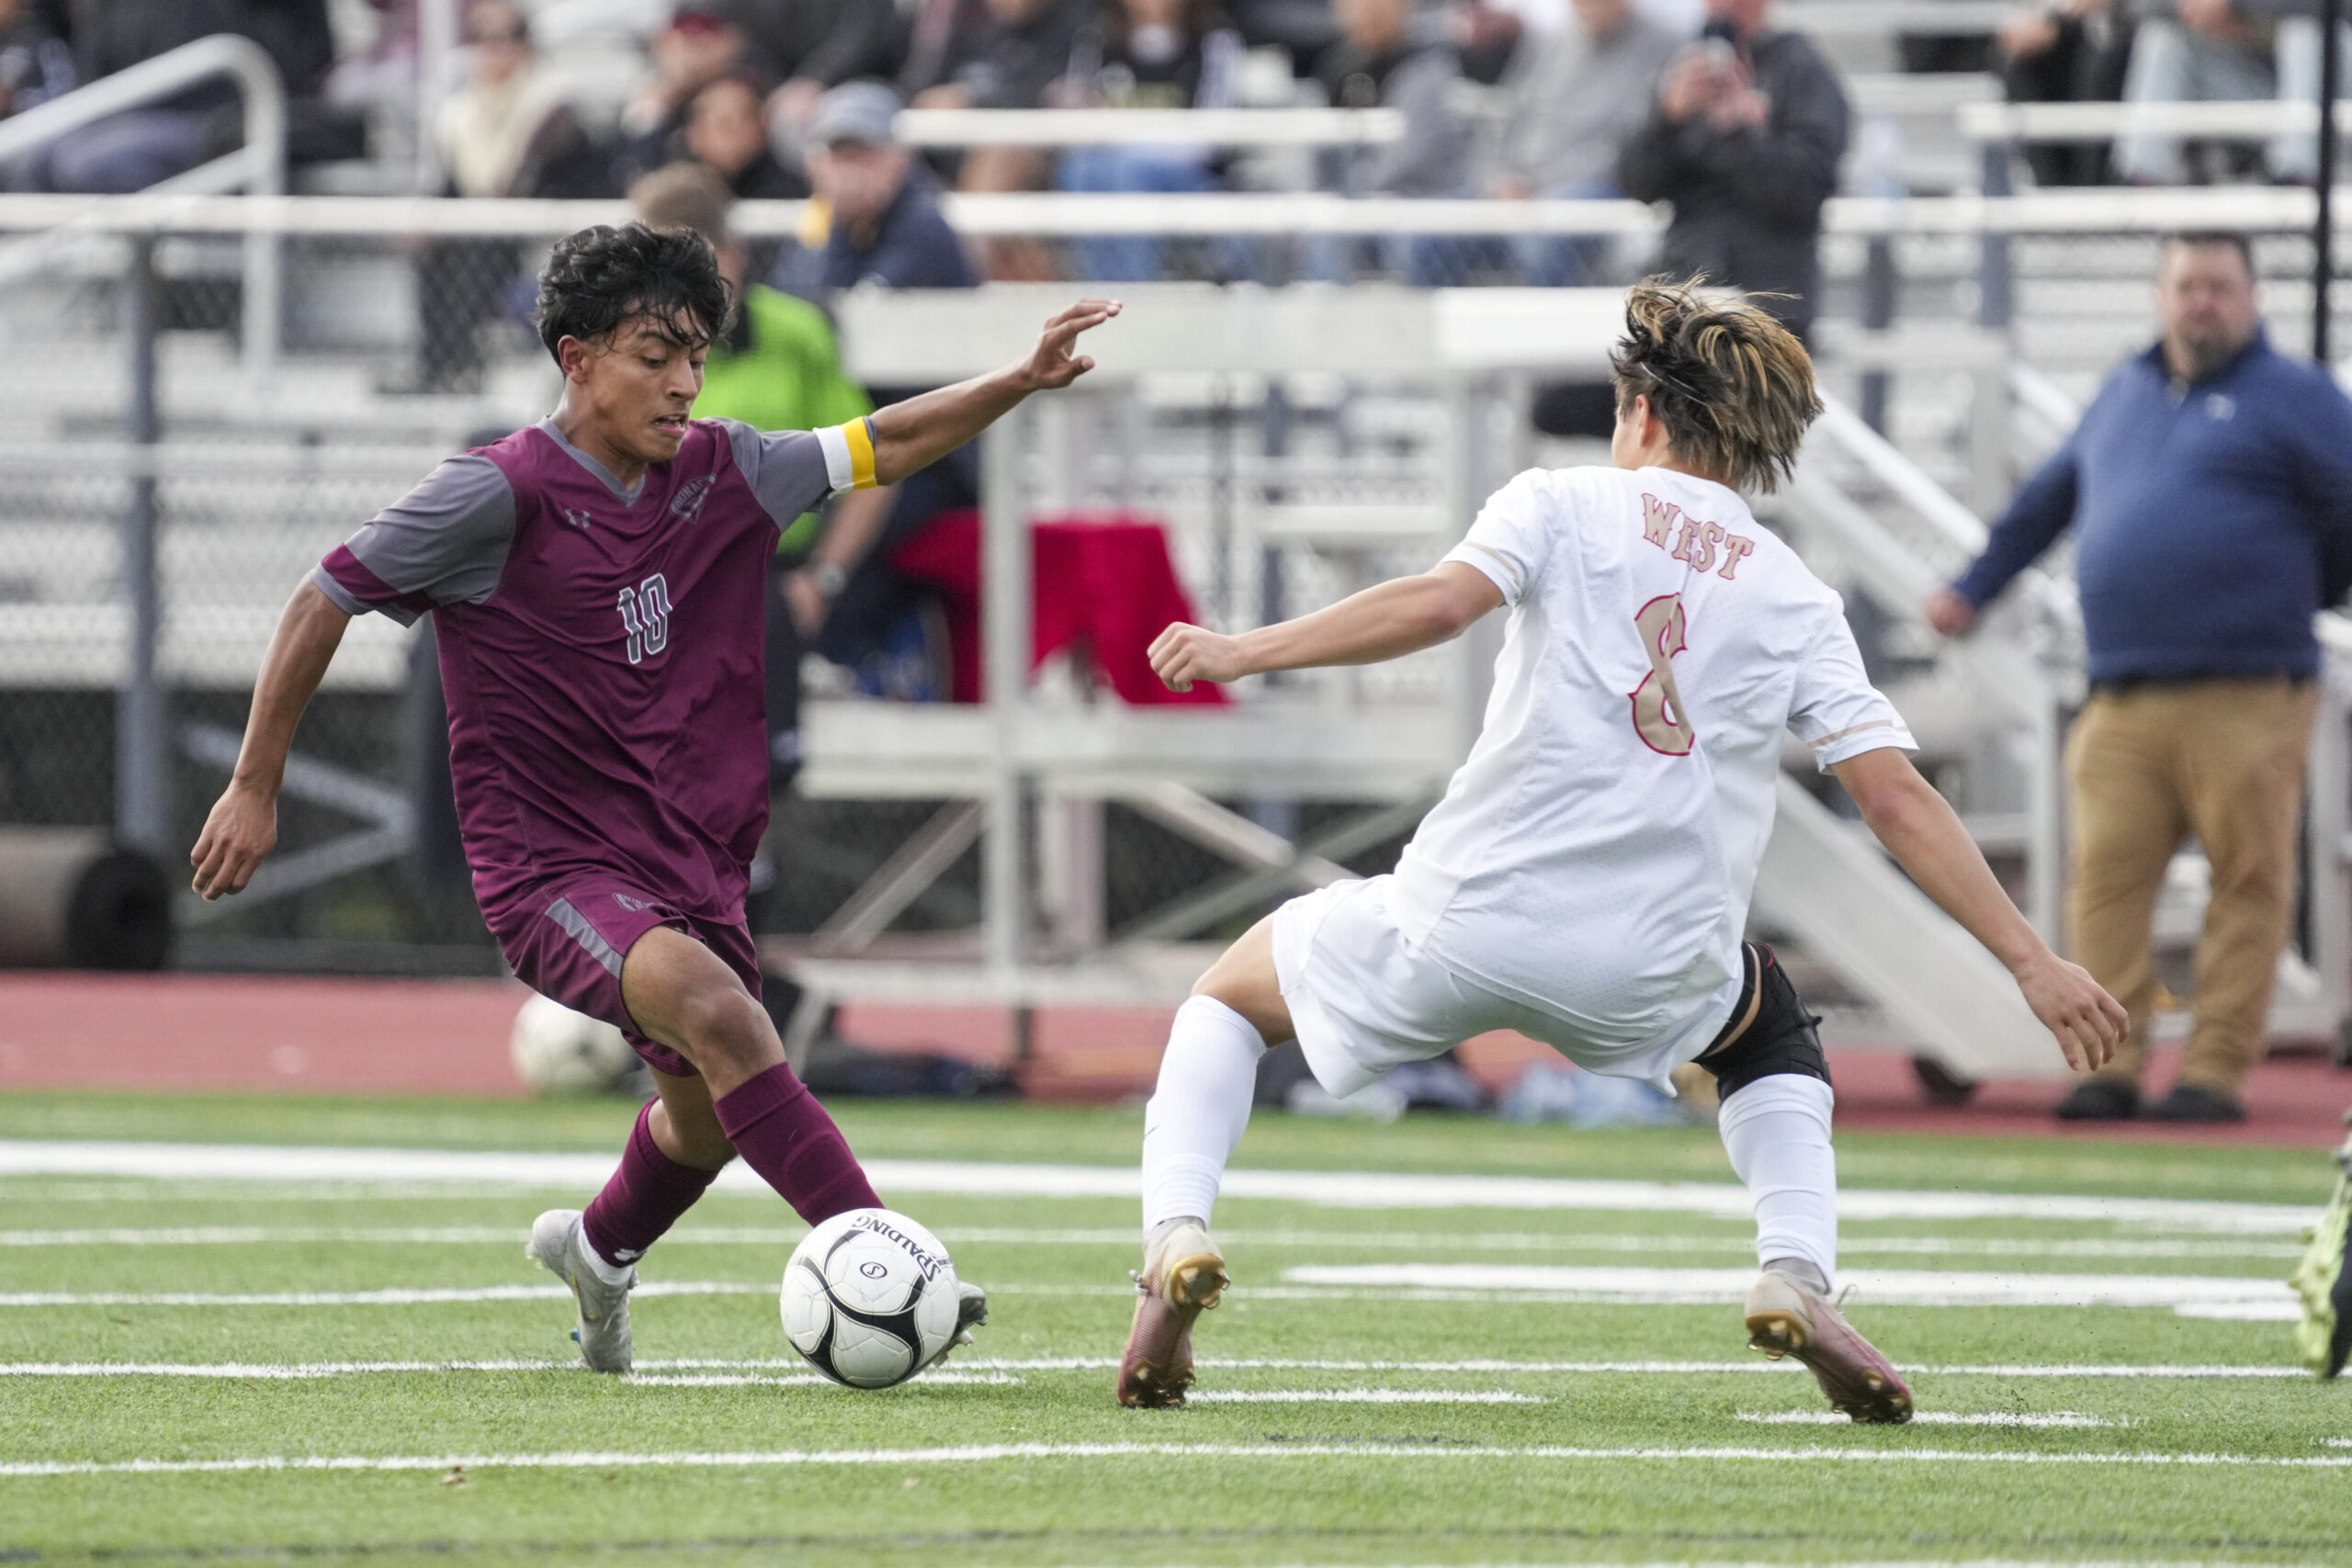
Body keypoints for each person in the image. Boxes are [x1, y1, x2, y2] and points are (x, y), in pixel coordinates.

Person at [1116, 278, 2124, 1421]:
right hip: (1654, 967)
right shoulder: (1796, 595)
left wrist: (1247, 650)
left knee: (1229, 1002)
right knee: (1768, 1035)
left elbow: (1439, 606)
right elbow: (1894, 798)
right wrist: (2031, 962)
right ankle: (1793, 1270)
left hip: (1463, 920)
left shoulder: (1559, 502)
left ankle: (1175, 1235)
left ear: (1642, 409)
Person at [187, 220, 1120, 1371]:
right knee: (731, 1016)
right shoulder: (496, 493)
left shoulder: (728, 469)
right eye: (651, 355)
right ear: (575, 358)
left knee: (701, 1119)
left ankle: (598, 1251)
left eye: (694, 356)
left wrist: (1018, 381)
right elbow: (320, 596)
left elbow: (880, 441)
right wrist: (252, 784)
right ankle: (884, 1257)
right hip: (552, 873)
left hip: (694, 857)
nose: (682, 382)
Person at [1928, 232, 2352, 1123]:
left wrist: (2313, 588)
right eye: (2186, 286)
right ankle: (2108, 1064)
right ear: (2160, 295)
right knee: (2105, 881)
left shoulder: (2297, 397)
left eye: (2218, 287)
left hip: (2249, 688)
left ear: (2251, 296)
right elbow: (2047, 500)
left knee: (2248, 880)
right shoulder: (2122, 392)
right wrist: (1970, 588)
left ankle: (2216, 1071)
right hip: (2121, 690)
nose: (2202, 303)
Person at [629, 163, 888, 797]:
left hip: (776, 576)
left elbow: (872, 468)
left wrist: (820, 580)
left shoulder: (797, 332)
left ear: (734, 257)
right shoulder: (619, 353)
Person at [1616, 0, 1848, 339]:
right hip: (1684, 292)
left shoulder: (1801, 70)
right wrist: (1666, 118)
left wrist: (1738, 132)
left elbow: (1804, 192)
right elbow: (1637, 184)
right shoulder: (1686, 66)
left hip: (1768, 302)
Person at [1484, 0, 1683, 286]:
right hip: (1519, 187)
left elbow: (1638, 144)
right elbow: (1509, 120)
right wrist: (1502, 179)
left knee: (1542, 240)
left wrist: (1539, 191)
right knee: (1428, 239)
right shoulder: (1549, 42)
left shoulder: (1664, 46)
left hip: (1597, 187)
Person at [1053, 0, 1245, 281]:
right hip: (1107, 166)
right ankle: (1098, 286)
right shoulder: (1095, 42)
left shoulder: (1215, 43)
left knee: (1130, 170)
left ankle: (1134, 289)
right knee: (1079, 169)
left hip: (1192, 178)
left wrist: (1127, 143)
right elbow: (1075, 123)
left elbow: (1211, 142)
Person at [1310, 0, 1476, 284]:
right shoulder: (1338, 67)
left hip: (1429, 193)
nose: (1365, 13)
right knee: (1325, 234)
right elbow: (1320, 156)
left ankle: (1415, 326)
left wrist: (1363, 191)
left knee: (1414, 241)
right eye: (1354, 6)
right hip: (1364, 198)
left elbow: (1412, 160)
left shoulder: (1429, 63)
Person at [2116, 0, 2351, 186]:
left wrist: (2235, 5)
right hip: (2265, 90)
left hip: (2335, 87)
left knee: (2304, 35)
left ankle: (2296, 183)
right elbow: (2145, 7)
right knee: (2163, 40)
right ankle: (2139, 188)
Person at [684, 72, 812, 200]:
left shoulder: (789, 193)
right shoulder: (681, 190)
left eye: (744, 119)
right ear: (694, 133)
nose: (733, 135)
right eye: (724, 124)